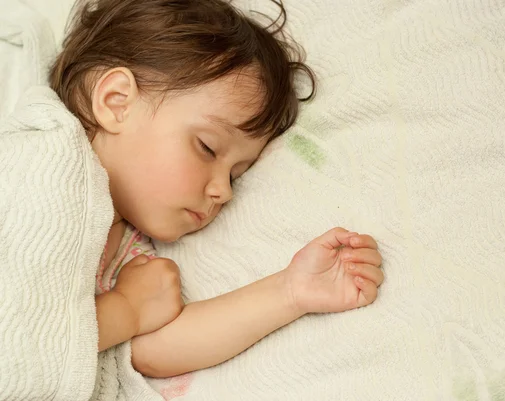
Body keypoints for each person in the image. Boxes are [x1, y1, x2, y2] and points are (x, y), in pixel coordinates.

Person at [50, 0, 384, 378]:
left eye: (235, 175)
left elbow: (154, 351)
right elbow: (20, 334)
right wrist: (124, 309)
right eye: (207, 148)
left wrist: (290, 292)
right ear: (116, 103)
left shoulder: (131, 258)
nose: (224, 192)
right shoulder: (35, 162)